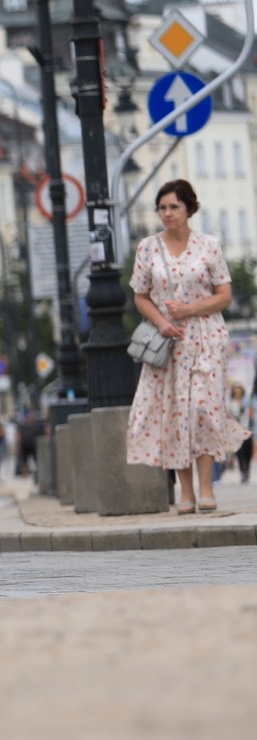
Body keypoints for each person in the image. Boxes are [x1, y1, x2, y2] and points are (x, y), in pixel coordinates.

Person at [125, 179, 250, 513]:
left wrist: (189, 310)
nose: (167, 213)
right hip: (169, 344)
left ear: (189, 209)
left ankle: (207, 487)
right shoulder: (147, 248)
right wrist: (163, 321)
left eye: (174, 207)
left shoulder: (208, 245)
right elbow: (140, 295)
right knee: (175, 415)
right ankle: (187, 493)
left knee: (202, 410)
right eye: (162, 207)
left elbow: (224, 296)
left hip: (207, 337)